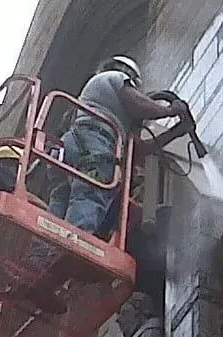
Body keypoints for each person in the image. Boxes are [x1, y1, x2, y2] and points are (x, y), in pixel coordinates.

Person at [49, 55, 189, 239]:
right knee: (91, 193)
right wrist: (170, 111)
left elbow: (137, 151)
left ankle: (44, 250)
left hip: (73, 147)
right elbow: (138, 103)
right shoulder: (113, 78)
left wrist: (175, 133)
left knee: (62, 199)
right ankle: (71, 242)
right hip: (94, 143)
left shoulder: (113, 110)